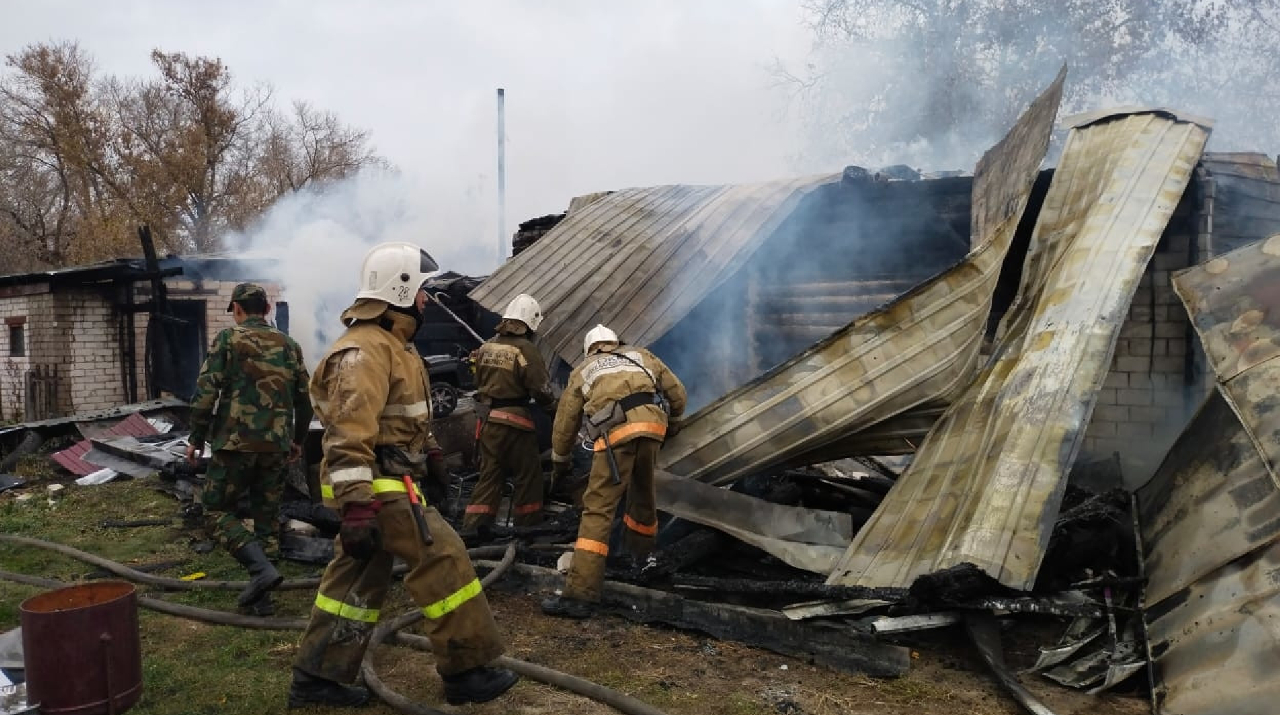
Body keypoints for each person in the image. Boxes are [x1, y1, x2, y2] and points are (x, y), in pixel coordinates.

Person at [288, 242, 518, 709]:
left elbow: (404, 421)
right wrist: (355, 507)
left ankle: (319, 676)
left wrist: (432, 454)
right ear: (401, 289)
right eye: (423, 290)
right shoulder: (363, 352)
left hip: (389, 480)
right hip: (377, 486)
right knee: (445, 559)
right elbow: (348, 433)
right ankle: (466, 670)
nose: (427, 299)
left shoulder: (395, 348)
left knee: (354, 585)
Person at [541, 324, 687, 619]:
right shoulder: (642, 355)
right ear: (615, 342)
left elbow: (565, 423)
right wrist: (674, 425)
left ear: (590, 348)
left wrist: (560, 461)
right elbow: (678, 395)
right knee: (644, 498)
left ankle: (581, 594)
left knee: (598, 510)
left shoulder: (585, 369)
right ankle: (639, 560)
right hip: (653, 429)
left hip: (615, 436)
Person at [186, 282, 312, 617]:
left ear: (238, 310)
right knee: (266, 520)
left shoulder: (229, 340)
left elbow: (204, 395)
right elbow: (305, 401)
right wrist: (296, 439)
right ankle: (263, 597)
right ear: (267, 309)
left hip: (235, 445)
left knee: (214, 511)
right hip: (276, 446)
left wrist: (196, 438)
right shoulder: (289, 345)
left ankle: (260, 572)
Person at [463, 293, 556, 533]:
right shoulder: (525, 349)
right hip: (516, 422)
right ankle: (528, 527)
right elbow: (541, 388)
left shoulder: (486, 347)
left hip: (488, 421)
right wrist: (556, 413)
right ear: (529, 323)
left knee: (490, 475)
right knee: (528, 474)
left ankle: (474, 529)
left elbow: (477, 378)